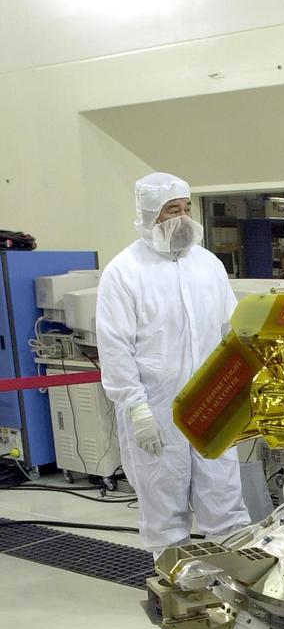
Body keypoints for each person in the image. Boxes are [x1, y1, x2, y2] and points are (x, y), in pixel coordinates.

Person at [97, 171, 251, 557]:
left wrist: (238, 389)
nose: (183, 218)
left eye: (186, 208)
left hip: (211, 403)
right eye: (171, 210)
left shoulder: (208, 265)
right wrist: (136, 407)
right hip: (156, 412)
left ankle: (230, 591)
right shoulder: (124, 272)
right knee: (165, 508)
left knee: (225, 499)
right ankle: (176, 595)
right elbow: (115, 347)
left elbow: (230, 332)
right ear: (150, 215)